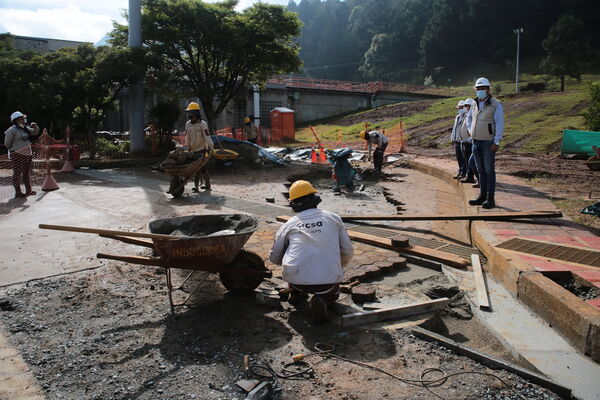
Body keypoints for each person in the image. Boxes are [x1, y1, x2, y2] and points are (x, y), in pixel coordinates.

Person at [269, 180, 353, 323]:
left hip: (295, 277)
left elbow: (274, 256)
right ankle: (322, 300)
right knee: (332, 291)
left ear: (293, 204)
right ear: (315, 198)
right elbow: (347, 250)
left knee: (296, 277)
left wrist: (285, 263)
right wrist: (339, 265)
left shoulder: (289, 224)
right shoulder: (333, 218)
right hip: (325, 282)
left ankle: (296, 293)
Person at [468, 77, 504, 209]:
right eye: (478, 89)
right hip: (476, 141)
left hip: (488, 142)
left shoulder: (496, 104)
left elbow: (500, 123)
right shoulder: (474, 103)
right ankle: (482, 195)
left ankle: (490, 197)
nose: (480, 91)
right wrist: (470, 130)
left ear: (488, 89)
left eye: (482, 88)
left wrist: (497, 140)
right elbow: (469, 118)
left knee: (489, 170)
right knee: (480, 170)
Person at [4, 111, 39, 198]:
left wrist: (35, 126)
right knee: (17, 173)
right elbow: (7, 144)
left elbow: (35, 132)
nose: (24, 120)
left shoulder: (25, 128)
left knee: (27, 172)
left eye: (23, 118)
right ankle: (18, 191)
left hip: (27, 153)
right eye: (21, 118)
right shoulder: (11, 130)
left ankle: (28, 190)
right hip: (17, 154)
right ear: (16, 120)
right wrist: (15, 149)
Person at [184, 102, 213, 191]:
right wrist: (188, 146)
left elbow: (207, 137)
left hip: (202, 150)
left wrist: (211, 147)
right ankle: (200, 186)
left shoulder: (202, 124)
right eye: (188, 113)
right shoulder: (188, 124)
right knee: (195, 168)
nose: (189, 114)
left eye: (191, 113)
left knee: (201, 168)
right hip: (193, 150)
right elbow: (187, 137)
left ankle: (202, 186)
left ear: (196, 113)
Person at [459, 98, 477, 184]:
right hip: (464, 141)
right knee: (467, 161)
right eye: (464, 106)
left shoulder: (473, 115)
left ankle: (471, 177)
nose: (465, 107)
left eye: (467, 106)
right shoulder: (466, 115)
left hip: (470, 142)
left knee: (471, 161)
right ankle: (468, 176)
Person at [450, 100, 467, 179]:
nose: (460, 109)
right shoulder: (458, 117)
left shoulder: (467, 117)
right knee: (459, 157)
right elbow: (455, 128)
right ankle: (460, 171)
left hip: (463, 140)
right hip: (457, 140)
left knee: (464, 158)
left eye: (462, 107)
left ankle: (463, 172)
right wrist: (452, 137)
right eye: (459, 108)